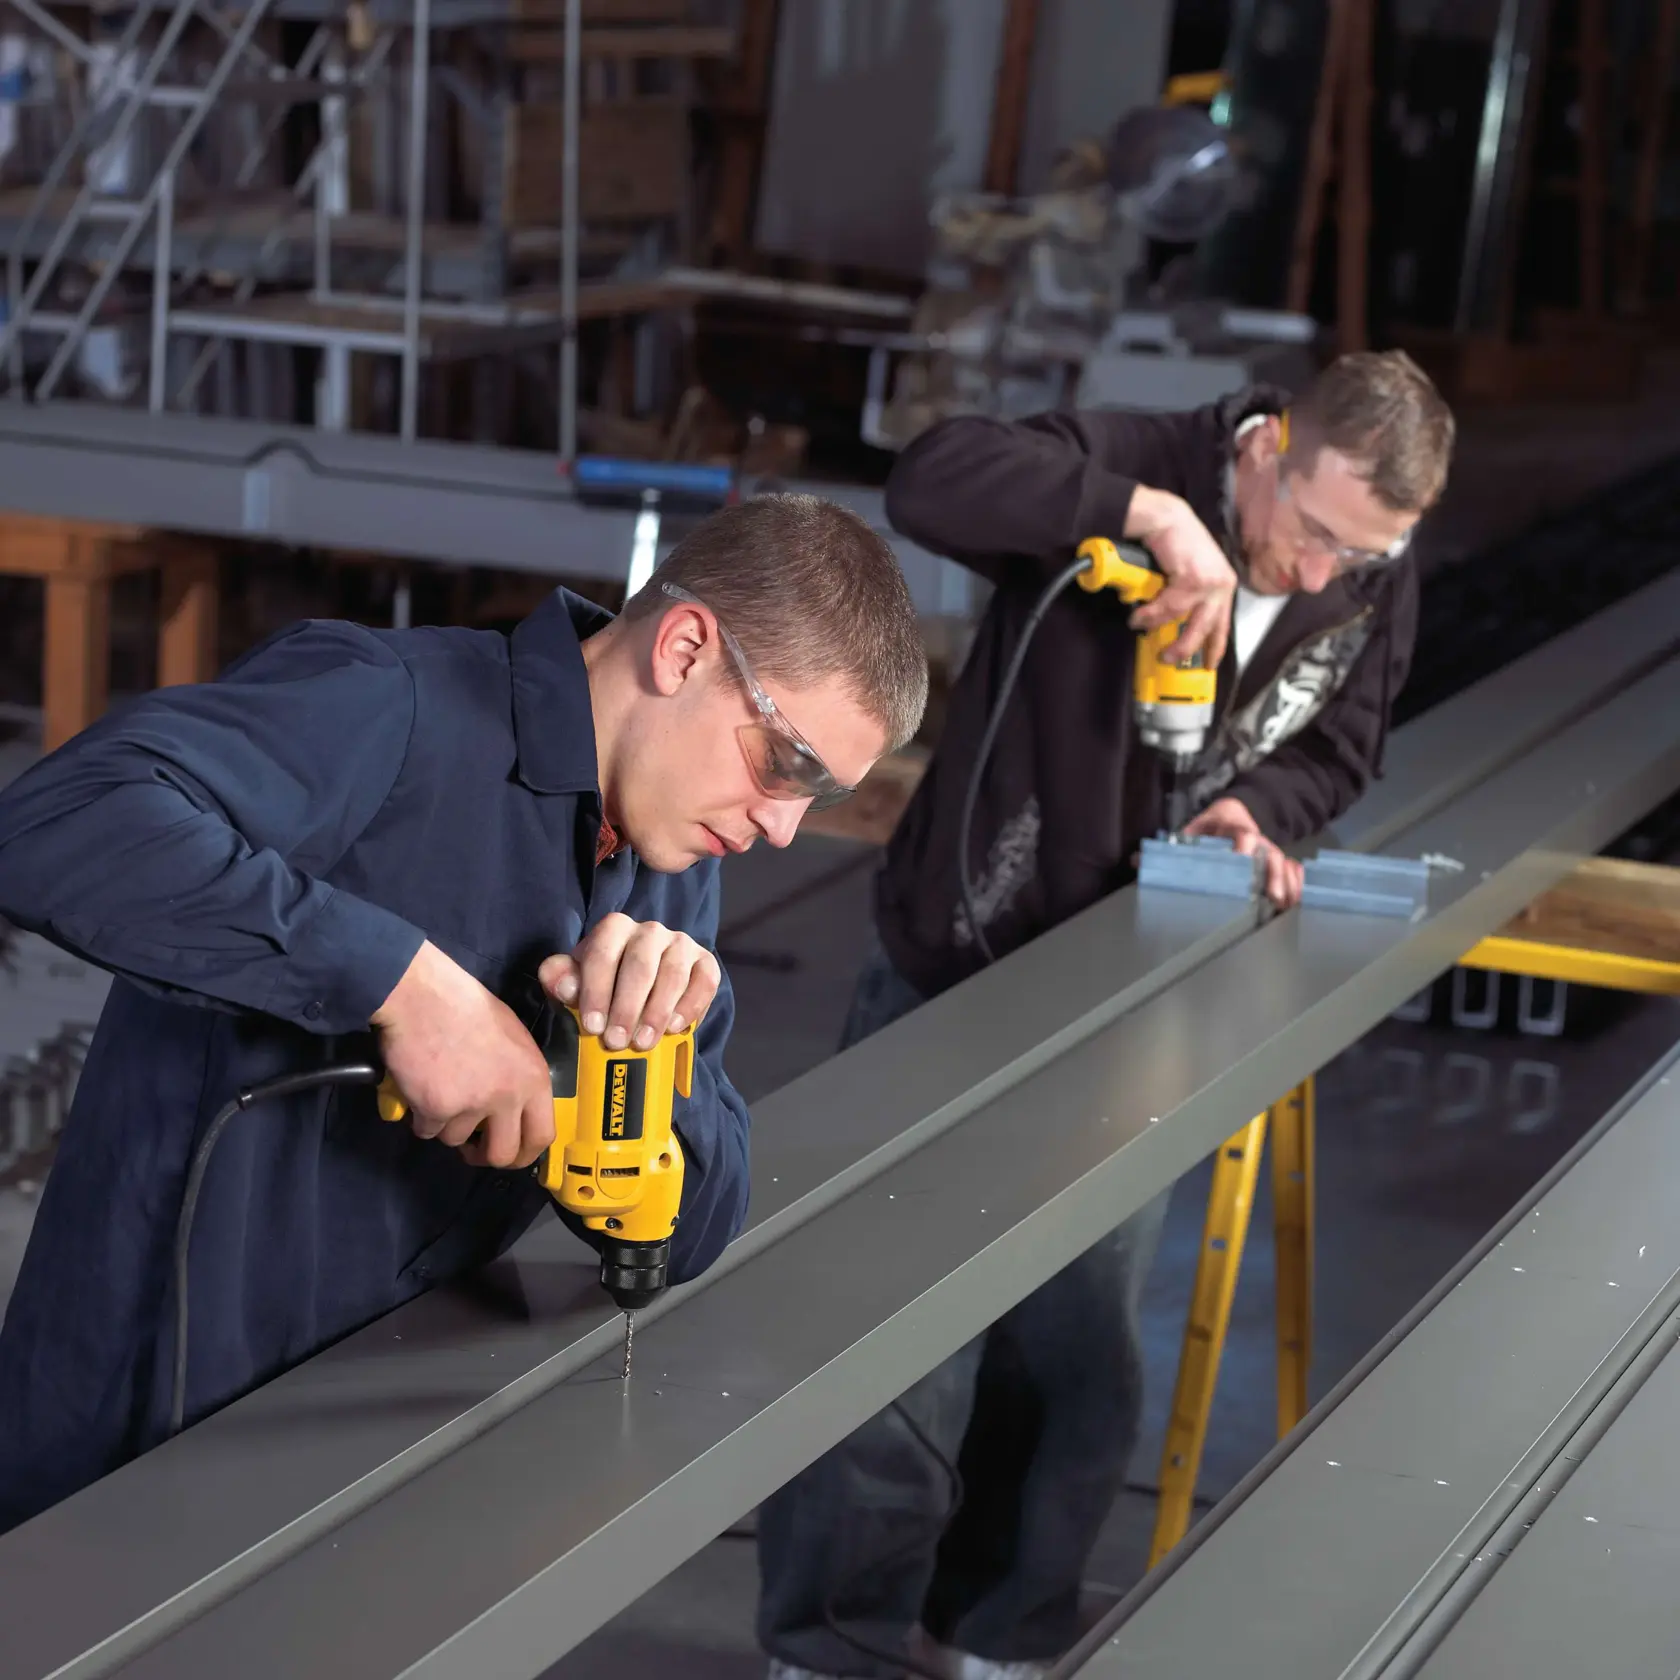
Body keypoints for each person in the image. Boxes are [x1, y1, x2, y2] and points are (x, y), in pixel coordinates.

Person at [0, 492, 928, 1535]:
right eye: (785, 765)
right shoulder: (391, 707)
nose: (783, 827)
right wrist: (399, 983)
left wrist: (651, 1070)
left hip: (379, 1447)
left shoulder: (671, 854)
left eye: (825, 797)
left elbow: (697, 1222)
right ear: (683, 650)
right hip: (144, 1438)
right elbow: (58, 821)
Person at [757, 350, 1456, 1680]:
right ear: (1265, 448)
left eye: (1357, 561)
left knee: (1072, 1352)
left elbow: (1343, 743)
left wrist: (1266, 813)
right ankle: (830, 1645)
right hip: (962, 961)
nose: (1319, 578)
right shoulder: (1139, 458)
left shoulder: (1366, 567)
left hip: (1142, 998)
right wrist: (1141, 513)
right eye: (1309, 533)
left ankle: (1001, 1638)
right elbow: (931, 479)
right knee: (888, 1338)